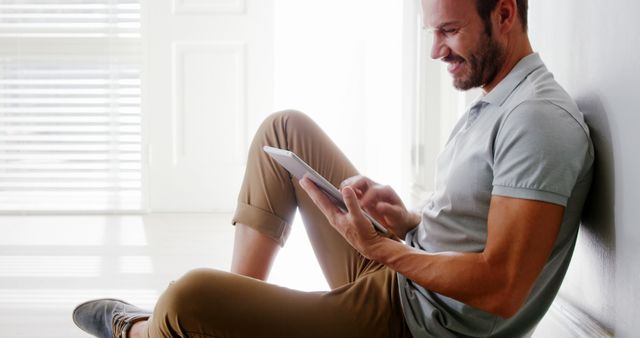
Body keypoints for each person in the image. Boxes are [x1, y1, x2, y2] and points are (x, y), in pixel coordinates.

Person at [72, 0, 594, 337]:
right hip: (407, 276)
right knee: (284, 131)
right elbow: (478, 227)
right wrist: (405, 221)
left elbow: (503, 286)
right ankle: (231, 324)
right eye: (431, 32)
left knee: (186, 298)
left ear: (504, 13)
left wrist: (378, 247)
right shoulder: (501, 98)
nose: (436, 50)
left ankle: (137, 331)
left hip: (414, 323)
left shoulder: (537, 122)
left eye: (450, 32)